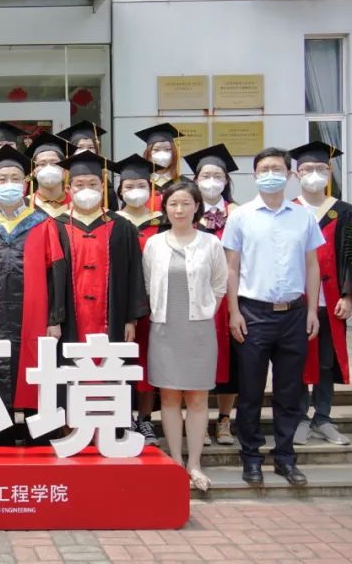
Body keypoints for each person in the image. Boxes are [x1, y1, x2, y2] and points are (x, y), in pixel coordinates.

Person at [222, 147, 324, 487]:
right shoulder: (241, 216)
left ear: (290, 174)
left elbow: (312, 265)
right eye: (264, 168)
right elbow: (231, 268)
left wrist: (312, 310)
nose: (270, 174)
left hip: (294, 314)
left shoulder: (304, 217)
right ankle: (251, 458)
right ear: (254, 175)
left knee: (289, 392)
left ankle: (285, 458)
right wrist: (233, 311)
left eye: (277, 168)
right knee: (250, 392)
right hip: (253, 313)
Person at [0, 145, 66, 445]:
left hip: (34, 319)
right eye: (2, 179)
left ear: (25, 184)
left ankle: (39, 446)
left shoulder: (43, 223)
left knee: (35, 377)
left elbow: (56, 274)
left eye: (15, 178)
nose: (9, 184)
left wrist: (55, 318)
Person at [143, 181, 227, 492]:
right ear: (165, 208)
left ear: (197, 207)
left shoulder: (210, 243)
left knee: (197, 397)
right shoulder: (154, 244)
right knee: (168, 396)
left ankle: (195, 463)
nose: (179, 210)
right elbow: (147, 285)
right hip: (164, 328)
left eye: (185, 203)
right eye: (173, 204)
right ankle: (176, 461)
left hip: (198, 330)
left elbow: (219, 285)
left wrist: (203, 313)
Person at [290, 141, 352, 447]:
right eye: (307, 169)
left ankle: (323, 417)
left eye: (320, 168)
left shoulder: (345, 211)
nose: (314, 174)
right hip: (296, 300)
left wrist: (348, 295)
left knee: (326, 361)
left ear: (329, 171)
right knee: (297, 359)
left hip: (331, 299)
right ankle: (299, 418)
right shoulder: (288, 209)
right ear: (297, 174)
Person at [53, 150, 146, 357]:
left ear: (103, 187)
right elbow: (51, 279)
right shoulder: (56, 226)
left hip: (115, 319)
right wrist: (53, 319)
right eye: (79, 185)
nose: (86, 189)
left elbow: (134, 275)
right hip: (69, 322)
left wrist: (130, 319)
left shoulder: (122, 226)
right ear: (68, 189)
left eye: (93, 184)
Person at [184, 144, 241, 446]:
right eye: (205, 176)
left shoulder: (239, 213)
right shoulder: (186, 213)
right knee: (197, 360)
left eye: (218, 176)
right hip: (196, 299)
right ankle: (199, 421)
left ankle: (224, 420)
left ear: (227, 180)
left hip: (232, 299)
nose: (211, 181)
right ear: (195, 180)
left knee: (231, 361)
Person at [113, 153, 167, 446]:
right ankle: (123, 416)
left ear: (151, 188)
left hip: (156, 304)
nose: (135, 191)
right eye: (129, 186)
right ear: (120, 191)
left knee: (148, 362)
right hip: (120, 304)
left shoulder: (163, 222)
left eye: (141, 185)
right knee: (121, 361)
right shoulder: (112, 223)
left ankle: (145, 418)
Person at [133, 123, 184, 212]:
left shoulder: (184, 183)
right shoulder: (139, 184)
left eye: (168, 150)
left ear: (174, 153)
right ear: (148, 154)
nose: (162, 154)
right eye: (156, 150)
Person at [26, 132, 72, 218]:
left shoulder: (77, 204)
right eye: (42, 164)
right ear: (34, 171)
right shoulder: (24, 205)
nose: (48, 168)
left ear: (64, 169)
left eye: (54, 163)